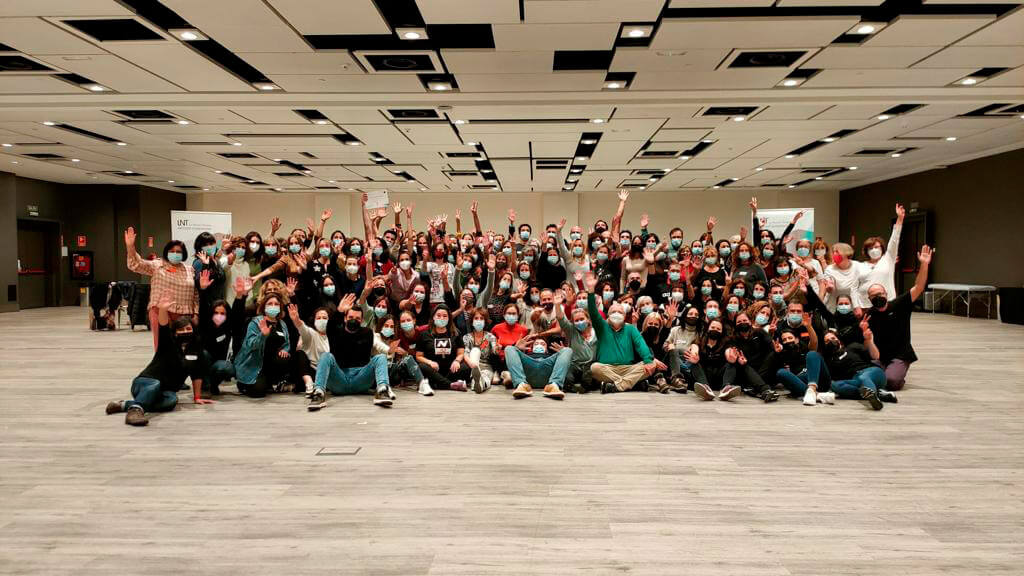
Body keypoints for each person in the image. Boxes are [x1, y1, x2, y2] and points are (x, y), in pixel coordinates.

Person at [104, 295, 213, 426]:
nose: (185, 332)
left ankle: (124, 405)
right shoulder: (167, 344)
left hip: (165, 391)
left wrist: (197, 397)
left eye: (188, 329)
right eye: (181, 329)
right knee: (154, 385)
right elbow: (163, 327)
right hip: (145, 383)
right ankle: (134, 412)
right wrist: (163, 310)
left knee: (171, 400)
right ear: (175, 333)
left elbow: (197, 375)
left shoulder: (196, 350)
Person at [308, 293, 393, 410]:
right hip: (339, 379)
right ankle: (318, 393)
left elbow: (366, 358)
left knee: (381, 357)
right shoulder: (335, 332)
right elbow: (331, 326)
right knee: (326, 356)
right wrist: (339, 311)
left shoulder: (367, 333)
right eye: (351, 317)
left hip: (361, 379)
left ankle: (383, 390)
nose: (354, 320)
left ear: (362, 320)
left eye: (357, 319)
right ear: (345, 318)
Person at [865, 245, 932, 391]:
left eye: (880, 294)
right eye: (873, 296)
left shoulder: (899, 304)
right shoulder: (869, 315)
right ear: (869, 299)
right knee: (868, 377)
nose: (878, 297)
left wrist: (924, 264)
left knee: (891, 381)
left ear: (886, 294)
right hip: (880, 356)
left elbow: (919, 287)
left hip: (900, 354)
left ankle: (894, 376)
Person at [124, 226, 198, 349]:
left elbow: (195, 294)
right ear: (167, 252)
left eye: (178, 252)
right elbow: (135, 264)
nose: (175, 254)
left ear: (184, 254)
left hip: (185, 314)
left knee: (184, 347)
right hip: (160, 312)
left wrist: (196, 313)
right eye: (172, 251)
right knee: (163, 347)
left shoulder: (190, 269)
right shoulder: (157, 265)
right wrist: (130, 247)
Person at [584, 274, 656, 394]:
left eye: (620, 312)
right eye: (613, 312)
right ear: (608, 315)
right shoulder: (602, 326)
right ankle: (632, 384)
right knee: (594, 367)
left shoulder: (630, 329)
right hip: (606, 368)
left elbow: (641, 345)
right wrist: (591, 292)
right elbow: (593, 311)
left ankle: (616, 386)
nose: (616, 314)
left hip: (628, 368)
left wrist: (648, 360)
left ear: (624, 315)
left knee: (650, 365)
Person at [820, 325, 896, 410]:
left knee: (863, 377)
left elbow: (875, 356)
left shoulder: (852, 346)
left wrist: (869, 340)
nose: (831, 341)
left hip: (873, 372)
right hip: (856, 380)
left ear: (839, 340)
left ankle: (874, 396)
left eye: (833, 338)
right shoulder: (830, 361)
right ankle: (878, 395)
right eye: (827, 341)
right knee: (834, 385)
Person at [233, 290, 292, 398]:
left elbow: (287, 342)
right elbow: (250, 345)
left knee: (285, 359)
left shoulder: (282, 323)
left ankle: (269, 381)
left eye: (276, 304)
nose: (273, 306)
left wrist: (285, 350)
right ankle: (243, 384)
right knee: (258, 392)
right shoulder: (255, 322)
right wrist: (262, 335)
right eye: (270, 304)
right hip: (253, 364)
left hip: (271, 363)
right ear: (264, 307)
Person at [857, 204, 905, 306]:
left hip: (886, 303)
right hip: (864, 304)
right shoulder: (860, 265)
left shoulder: (888, 259)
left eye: (876, 247)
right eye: (870, 248)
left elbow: (894, 239)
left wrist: (900, 219)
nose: (874, 250)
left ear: (882, 248)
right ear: (866, 251)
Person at [414, 305, 470, 392]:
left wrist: (457, 361)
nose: (441, 318)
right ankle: (450, 385)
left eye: (445, 316)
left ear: (449, 318)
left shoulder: (455, 333)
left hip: (451, 370)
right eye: (438, 315)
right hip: (433, 370)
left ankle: (439, 383)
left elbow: (460, 353)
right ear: (433, 317)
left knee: (466, 367)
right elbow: (418, 356)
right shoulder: (424, 334)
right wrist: (430, 362)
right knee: (421, 366)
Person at [504, 333, 572, 400]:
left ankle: (553, 385)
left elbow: (565, 367)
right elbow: (512, 363)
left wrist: (562, 353)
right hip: (529, 369)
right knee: (509, 348)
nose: (539, 345)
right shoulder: (525, 355)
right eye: (536, 344)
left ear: (547, 349)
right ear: (532, 348)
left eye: (543, 344)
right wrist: (516, 348)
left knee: (567, 350)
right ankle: (521, 385)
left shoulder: (552, 356)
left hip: (547, 370)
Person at [462, 308, 499, 393]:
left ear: (485, 321)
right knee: (475, 351)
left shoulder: (490, 337)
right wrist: (473, 365)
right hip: (471, 366)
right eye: (476, 318)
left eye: (481, 318)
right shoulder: (466, 337)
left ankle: (480, 383)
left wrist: (497, 348)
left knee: (485, 377)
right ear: (472, 321)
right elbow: (465, 353)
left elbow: (495, 351)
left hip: (486, 366)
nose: (479, 321)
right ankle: (478, 379)